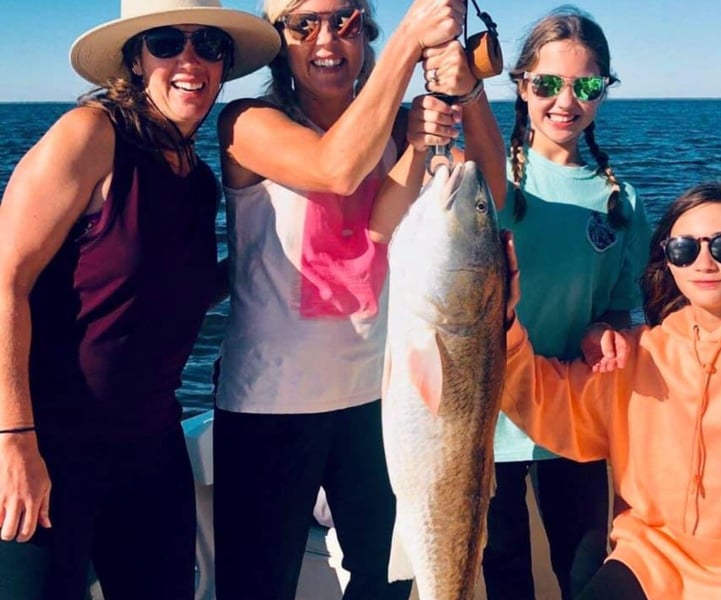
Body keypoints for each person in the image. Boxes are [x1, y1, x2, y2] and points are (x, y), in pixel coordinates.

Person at [212, 0, 505, 598]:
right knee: (256, 586)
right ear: (279, 40)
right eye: (305, 25)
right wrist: (411, 39)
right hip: (268, 405)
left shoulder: (400, 128)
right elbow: (334, 168)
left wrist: (463, 97)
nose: (327, 40)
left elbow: (489, 193)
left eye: (345, 22)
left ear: (364, 34)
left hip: (381, 400)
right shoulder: (245, 123)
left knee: (385, 582)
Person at [0, 1, 279, 598]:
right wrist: (15, 440)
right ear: (134, 59)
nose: (189, 60)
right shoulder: (92, 135)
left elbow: (177, 293)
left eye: (207, 43)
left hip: (150, 446)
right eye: (165, 42)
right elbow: (5, 283)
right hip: (48, 443)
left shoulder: (196, 178)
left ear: (224, 63)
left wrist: (280, 260)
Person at [501, 182, 721, 598]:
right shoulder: (638, 354)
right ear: (668, 260)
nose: (705, 262)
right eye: (684, 248)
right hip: (651, 560)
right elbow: (546, 400)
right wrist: (498, 318)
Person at [481, 6, 651, 600]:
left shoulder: (620, 199)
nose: (566, 101)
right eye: (548, 84)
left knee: (584, 572)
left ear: (604, 92)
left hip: (574, 417)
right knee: (503, 573)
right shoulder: (485, 183)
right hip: (487, 417)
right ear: (522, 86)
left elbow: (620, 305)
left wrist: (603, 330)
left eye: (587, 86)